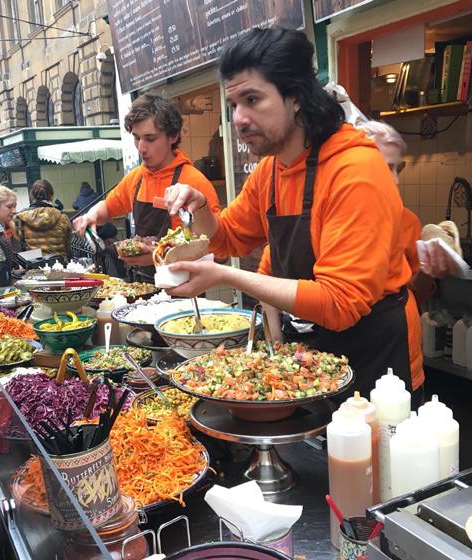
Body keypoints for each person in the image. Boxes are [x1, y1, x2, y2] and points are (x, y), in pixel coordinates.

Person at [163, 27, 423, 400]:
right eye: (233, 105)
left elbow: (340, 302)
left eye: (253, 99)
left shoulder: (355, 169)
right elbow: (225, 239)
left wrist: (227, 276)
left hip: (377, 359)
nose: (239, 118)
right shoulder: (271, 170)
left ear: (296, 97)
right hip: (312, 350)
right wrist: (201, 204)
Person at [73, 93, 221, 278]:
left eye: (150, 139)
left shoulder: (195, 182)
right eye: (137, 138)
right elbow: (108, 208)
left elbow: (215, 249)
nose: (141, 148)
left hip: (184, 286)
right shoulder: (136, 178)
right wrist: (92, 216)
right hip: (142, 284)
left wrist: (157, 256)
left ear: (173, 136)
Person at [359, 120, 458, 302]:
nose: (396, 180)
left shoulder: (407, 221)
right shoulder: (330, 216)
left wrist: (428, 270)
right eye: (387, 167)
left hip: (399, 317)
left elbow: (416, 292)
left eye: (397, 169)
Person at [14, 179, 72, 260]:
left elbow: (18, 244)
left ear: (31, 195)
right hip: (59, 265)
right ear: (52, 196)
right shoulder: (63, 218)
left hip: (33, 265)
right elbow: (68, 245)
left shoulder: (20, 218)